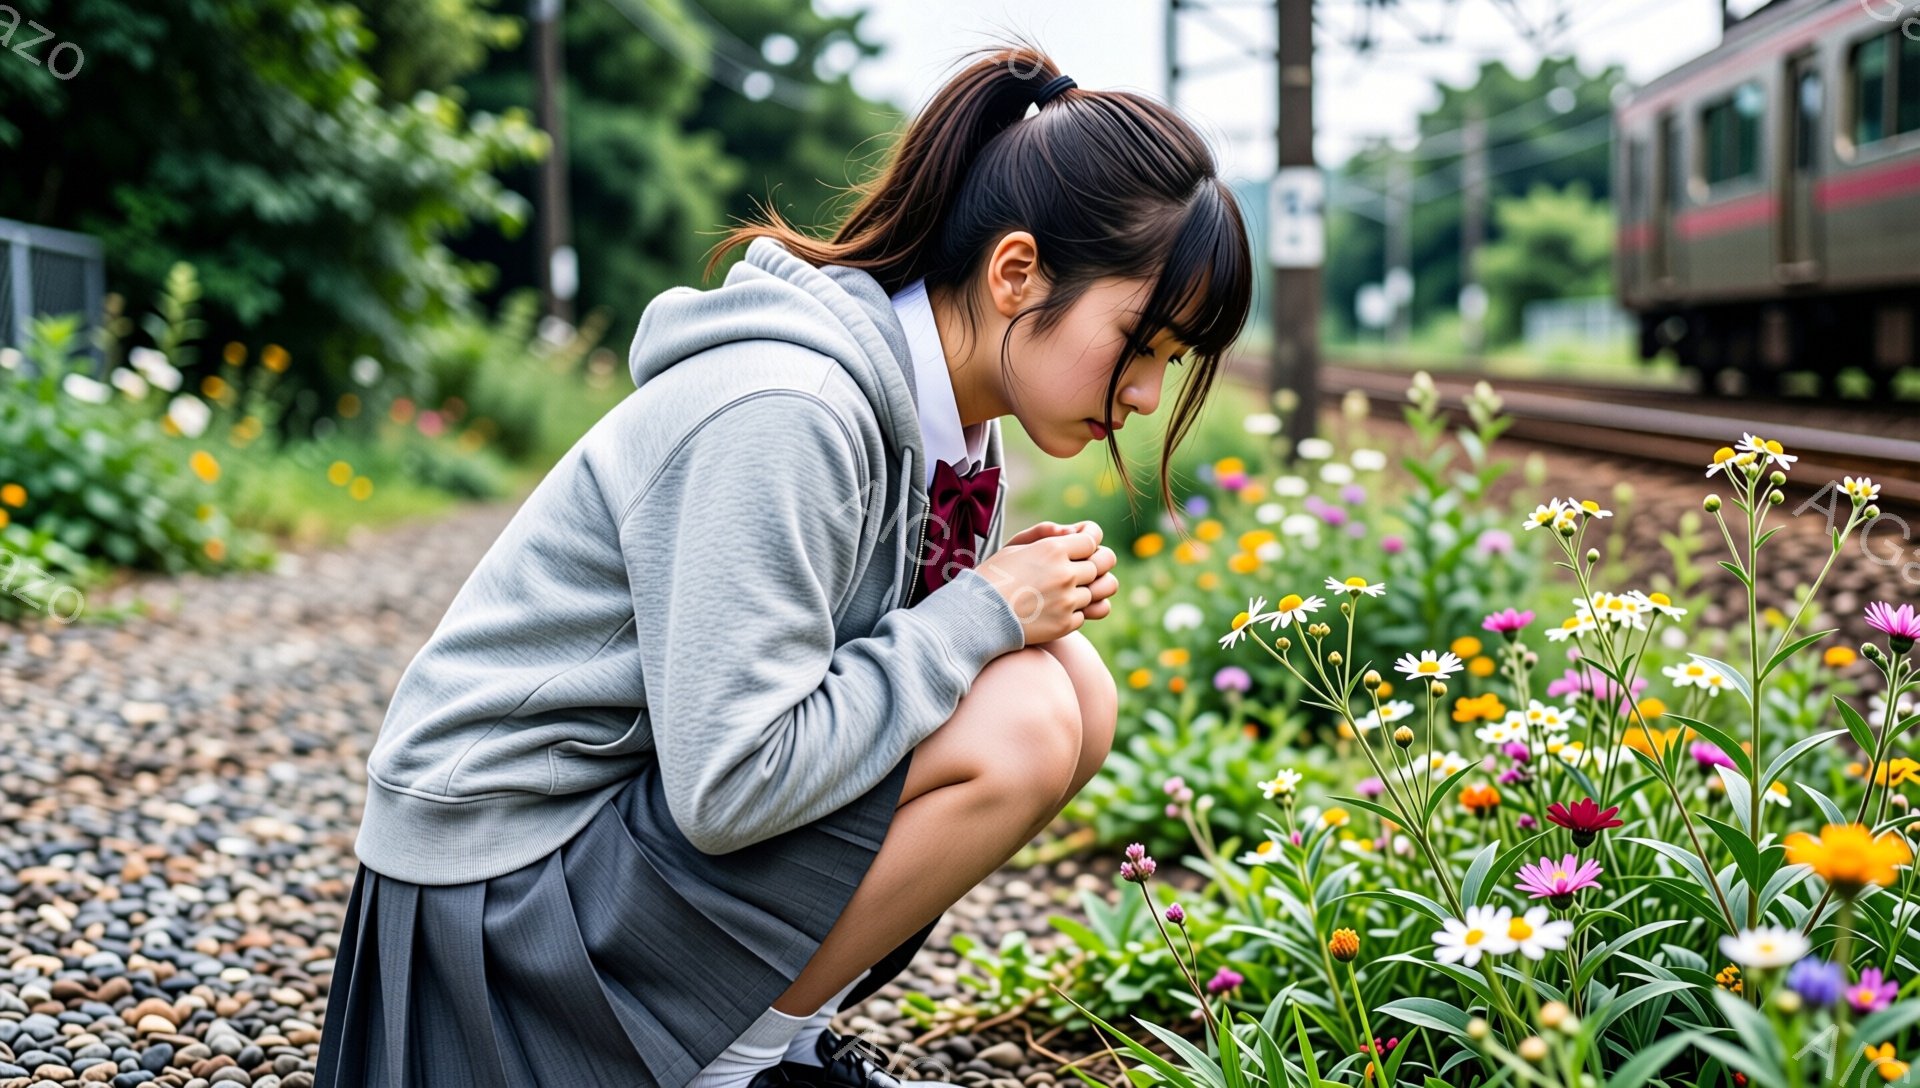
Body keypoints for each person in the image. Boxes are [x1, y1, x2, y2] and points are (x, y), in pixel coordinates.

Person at [313, 36, 1252, 1088]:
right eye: (1144, 341)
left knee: (1072, 682)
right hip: (499, 910)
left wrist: (985, 613)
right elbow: (733, 781)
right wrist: (979, 610)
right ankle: (735, 1068)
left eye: (1171, 364)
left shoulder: (941, 427)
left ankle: (771, 1043)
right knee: (1027, 708)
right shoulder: (788, 410)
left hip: (590, 854)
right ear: (1016, 272)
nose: (1143, 397)